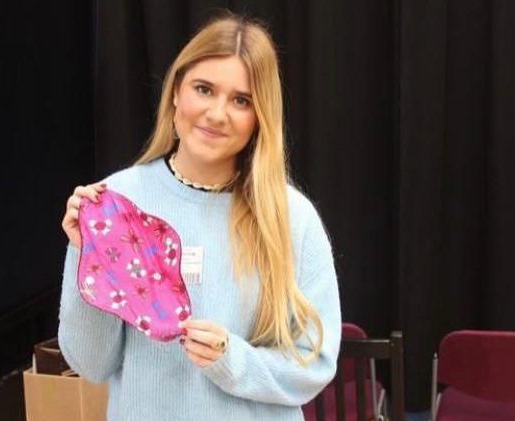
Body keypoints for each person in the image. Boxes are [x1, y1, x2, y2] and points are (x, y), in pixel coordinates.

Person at [58, 13, 341, 420]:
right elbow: (91, 364)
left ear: (260, 116)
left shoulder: (291, 218)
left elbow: (315, 363)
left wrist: (233, 360)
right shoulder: (117, 202)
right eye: (204, 89)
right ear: (175, 92)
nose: (217, 113)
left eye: (241, 100)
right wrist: (90, 257)